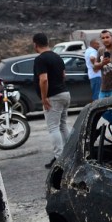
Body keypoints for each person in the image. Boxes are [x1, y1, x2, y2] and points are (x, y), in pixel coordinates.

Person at [33, 33, 71, 169]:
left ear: (35, 44)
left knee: (53, 127)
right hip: (65, 93)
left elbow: (43, 79)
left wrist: (44, 97)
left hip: (53, 96)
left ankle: (59, 159)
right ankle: (70, 154)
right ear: (47, 42)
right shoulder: (57, 56)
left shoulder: (40, 59)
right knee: (62, 125)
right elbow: (63, 75)